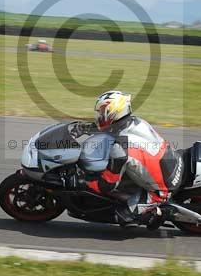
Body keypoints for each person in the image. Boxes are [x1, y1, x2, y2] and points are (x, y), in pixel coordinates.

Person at [67, 90, 184, 226]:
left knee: (121, 216)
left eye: (102, 112)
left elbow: (107, 186)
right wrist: (85, 128)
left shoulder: (120, 149)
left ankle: (156, 212)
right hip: (169, 163)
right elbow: (110, 129)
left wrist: (83, 182)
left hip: (161, 189)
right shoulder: (135, 122)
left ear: (113, 112)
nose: (99, 115)